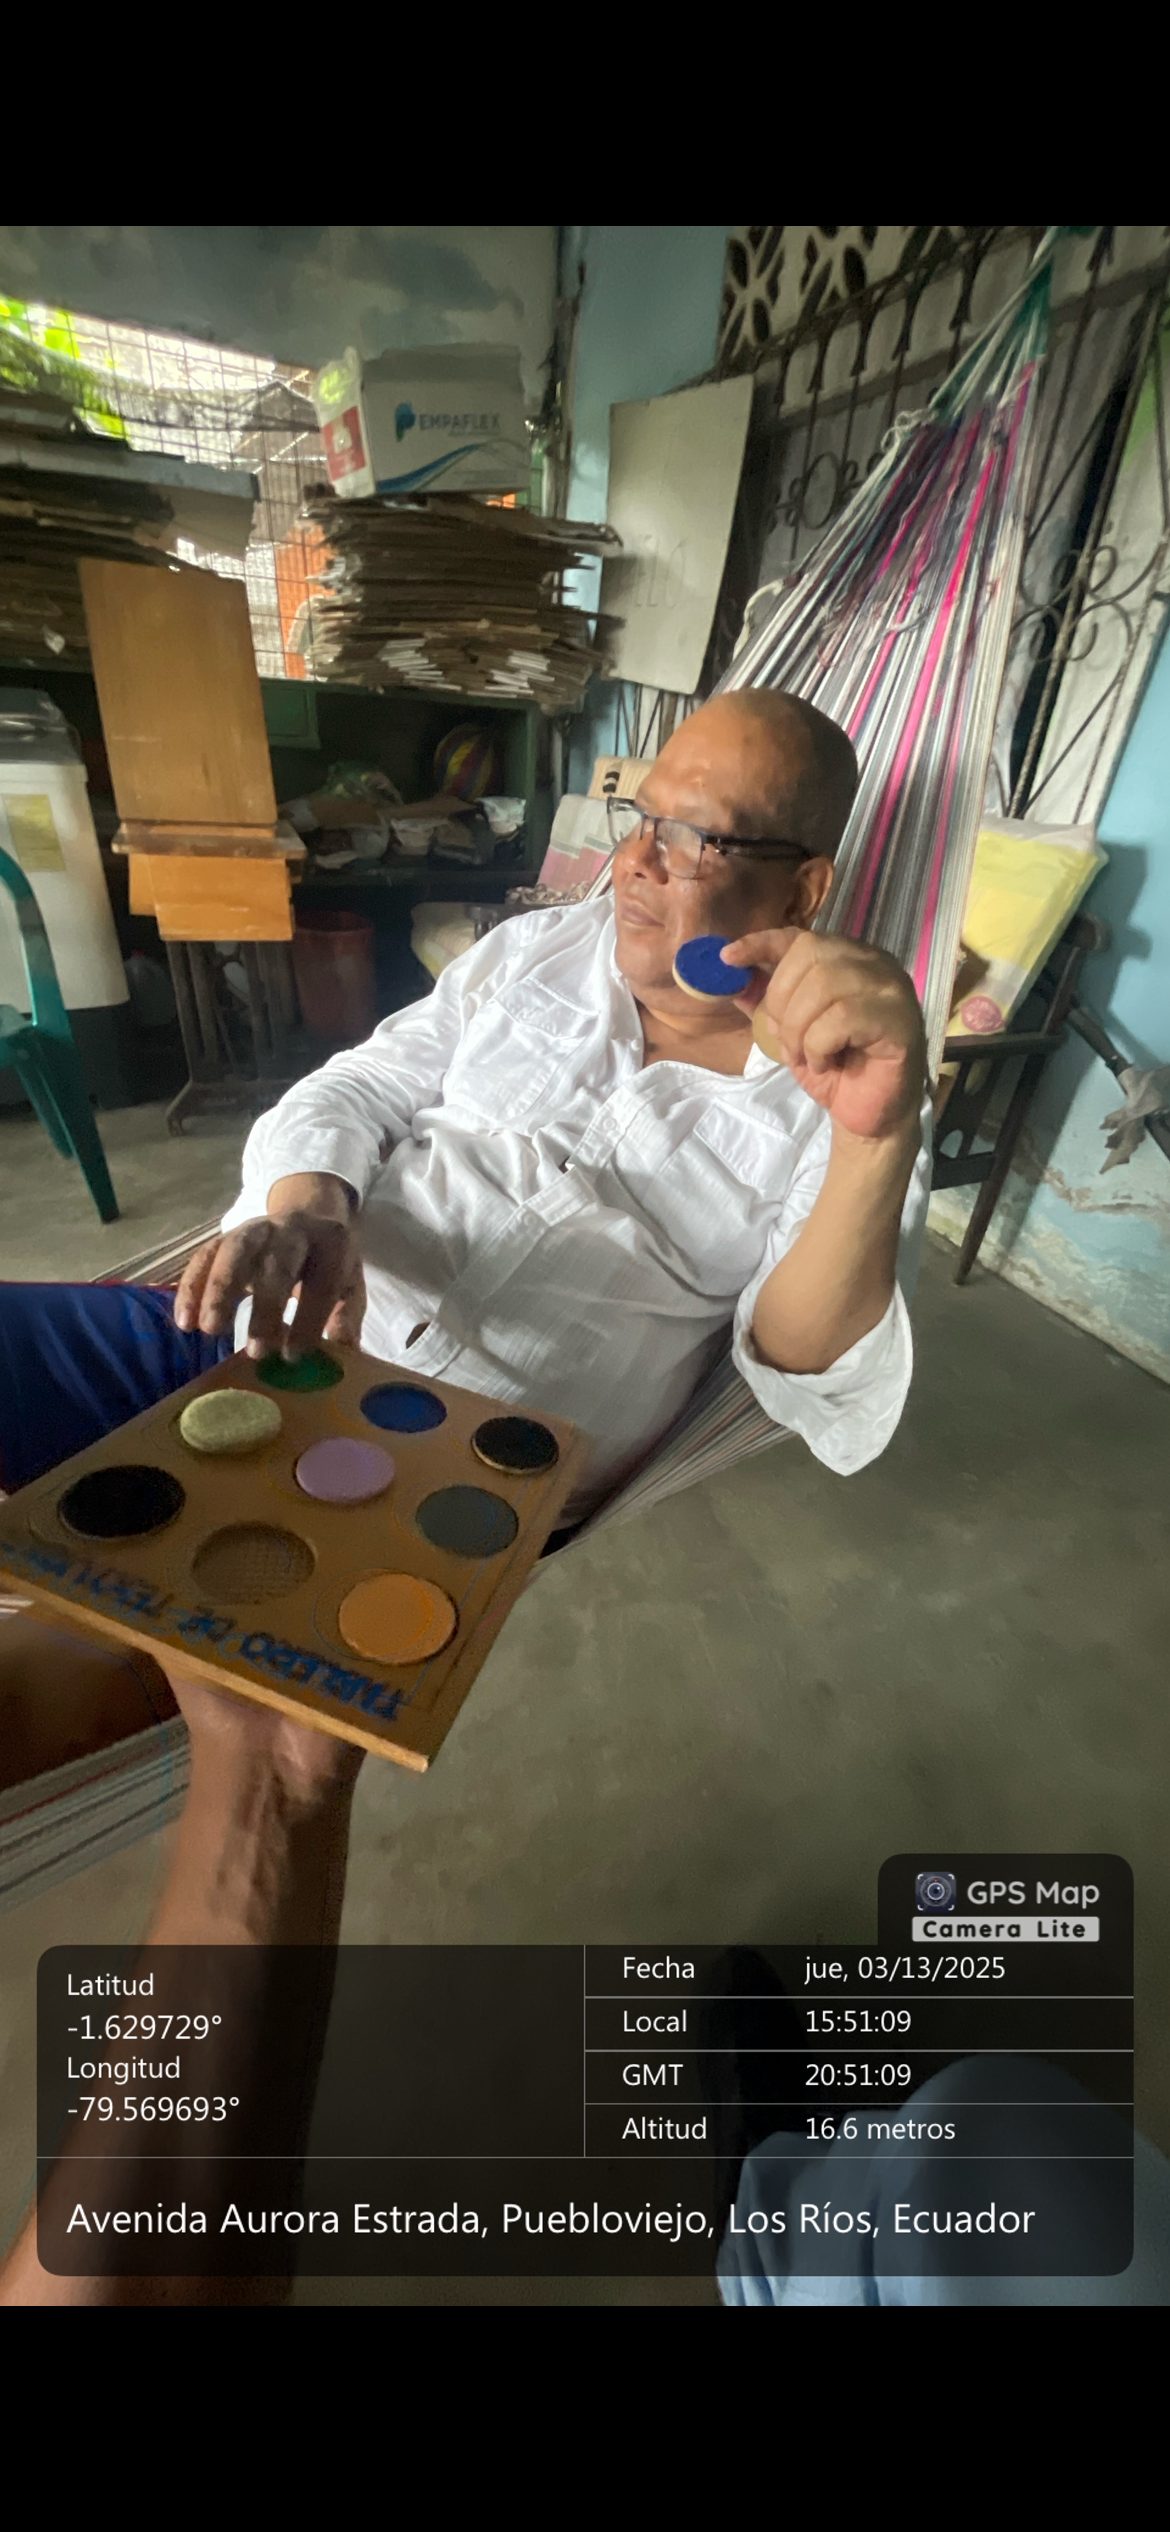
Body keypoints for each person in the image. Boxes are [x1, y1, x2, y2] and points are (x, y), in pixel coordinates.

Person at [0, 692, 930, 1523]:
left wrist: (873, 1139)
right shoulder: (539, 951)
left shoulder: (846, 1090)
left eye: (693, 837)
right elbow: (363, 1083)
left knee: (120, 1618)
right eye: (642, 818)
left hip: (441, 1482)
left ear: (802, 889)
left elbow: (801, 1363)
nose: (635, 862)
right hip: (249, 1336)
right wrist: (309, 1203)